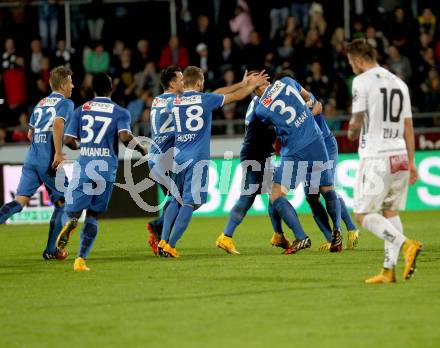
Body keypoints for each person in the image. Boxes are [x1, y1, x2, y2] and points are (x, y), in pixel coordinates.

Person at [157, 66, 267, 257]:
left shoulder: (173, 102)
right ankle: (171, 245)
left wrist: (243, 83)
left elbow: (213, 94)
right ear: (200, 83)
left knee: (175, 199)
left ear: (184, 83)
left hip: (178, 157)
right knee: (189, 203)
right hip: (196, 160)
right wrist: (252, 85)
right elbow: (236, 97)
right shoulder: (205, 100)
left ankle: (163, 240)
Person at [346, 38, 422, 284]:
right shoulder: (399, 83)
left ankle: (406, 244)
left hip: (376, 157)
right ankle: (389, 270)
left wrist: (351, 130)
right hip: (399, 155)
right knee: (390, 211)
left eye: (351, 62)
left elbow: (357, 120)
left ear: (358, 59)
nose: (351, 67)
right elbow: (408, 125)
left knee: (362, 214)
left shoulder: (361, 81)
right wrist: (411, 162)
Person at [56, 73, 147, 271]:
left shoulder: (81, 110)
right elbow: (124, 137)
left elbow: (68, 140)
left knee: (71, 209)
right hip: (106, 169)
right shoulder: (120, 112)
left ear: (93, 89)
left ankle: (71, 221)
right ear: (111, 88)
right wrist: (141, 148)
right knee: (93, 215)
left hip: (85, 165)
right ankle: (81, 259)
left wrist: (84, 146)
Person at [254, 73, 344, 254]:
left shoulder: (260, 109)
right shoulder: (287, 81)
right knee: (327, 189)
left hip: (295, 150)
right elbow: (309, 97)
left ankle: (301, 236)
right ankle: (337, 231)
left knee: (277, 196)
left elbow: (275, 126)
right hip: (316, 140)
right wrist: (310, 111)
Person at [0, 66, 74, 260]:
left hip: (31, 158)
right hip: (48, 160)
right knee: (65, 203)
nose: (73, 86)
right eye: (71, 82)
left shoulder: (40, 104)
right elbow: (58, 124)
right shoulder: (65, 103)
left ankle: (52, 249)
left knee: (19, 202)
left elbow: (30, 133)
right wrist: (57, 152)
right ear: (64, 84)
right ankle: (52, 250)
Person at [304, 92, 359, 251]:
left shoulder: (305, 97)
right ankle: (332, 238)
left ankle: (349, 228)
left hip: (325, 145)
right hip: (307, 151)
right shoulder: (283, 105)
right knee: (311, 197)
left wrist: (308, 112)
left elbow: (318, 106)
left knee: (326, 188)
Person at [145, 66, 184, 255]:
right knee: (182, 200)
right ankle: (158, 229)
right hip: (164, 159)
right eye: (181, 79)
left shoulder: (157, 100)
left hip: (155, 158)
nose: (184, 83)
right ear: (172, 83)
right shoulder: (175, 101)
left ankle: (159, 236)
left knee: (175, 198)